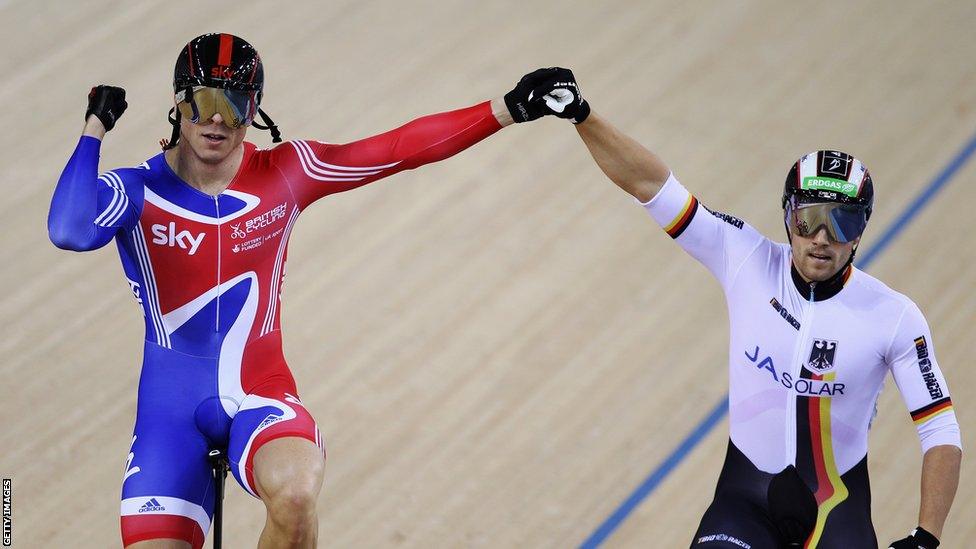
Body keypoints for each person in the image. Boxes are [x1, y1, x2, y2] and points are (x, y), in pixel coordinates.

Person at [47, 32, 567, 549]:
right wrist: (94, 128)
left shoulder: (288, 173)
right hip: (169, 417)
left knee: (296, 497)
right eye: (205, 100)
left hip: (261, 393)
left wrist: (508, 107)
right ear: (179, 103)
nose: (217, 120)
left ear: (255, 111)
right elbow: (69, 230)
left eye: (235, 105)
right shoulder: (134, 190)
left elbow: (395, 149)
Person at [524, 69, 962, 547]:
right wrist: (583, 117)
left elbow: (940, 430)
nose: (821, 238)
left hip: (835, 513)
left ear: (860, 233)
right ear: (788, 214)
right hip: (745, 504)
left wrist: (927, 536)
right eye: (809, 218)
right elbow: (651, 183)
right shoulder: (745, 258)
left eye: (842, 222)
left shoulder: (894, 316)